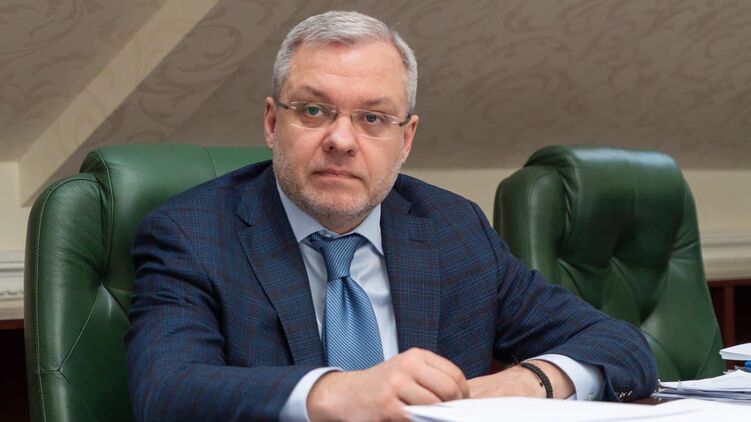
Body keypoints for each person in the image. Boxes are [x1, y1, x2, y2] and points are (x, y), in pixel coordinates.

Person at [125, 10, 657, 421]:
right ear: (271, 122)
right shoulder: (192, 233)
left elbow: (621, 346)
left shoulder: (452, 229)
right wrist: (337, 392)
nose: (341, 140)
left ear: (405, 139)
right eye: (314, 110)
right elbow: (165, 391)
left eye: (373, 118)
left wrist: (527, 382)